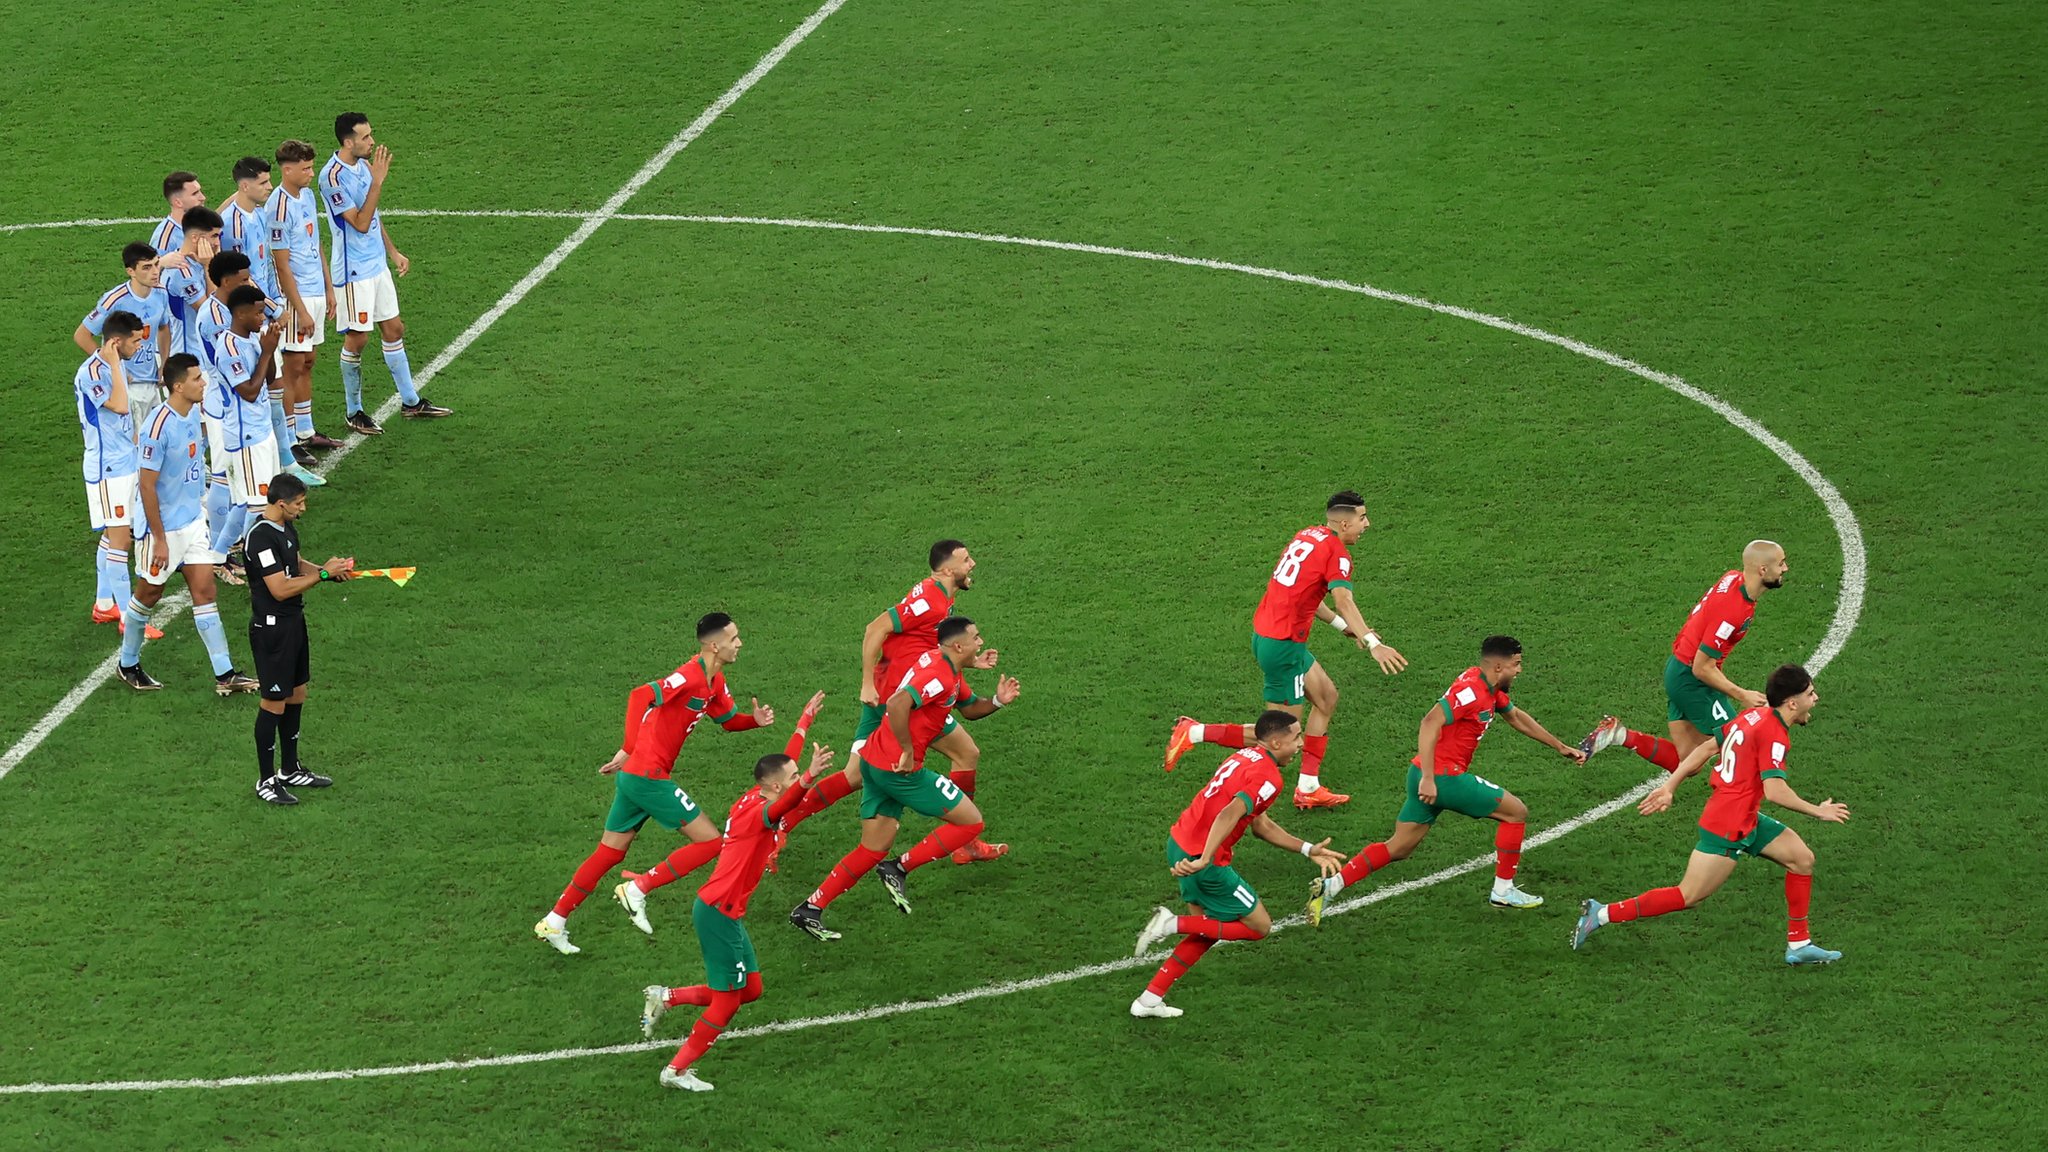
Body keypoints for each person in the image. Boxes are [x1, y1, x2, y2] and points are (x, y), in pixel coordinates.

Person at [534, 613, 785, 955]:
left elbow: (727, 721)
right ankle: (637, 889)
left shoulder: (715, 681)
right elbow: (640, 695)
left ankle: (554, 920)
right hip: (648, 776)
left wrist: (753, 721)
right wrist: (628, 747)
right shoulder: (690, 675)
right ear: (714, 645)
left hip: (635, 777)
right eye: (733, 638)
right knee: (712, 842)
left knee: (609, 852)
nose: (739, 643)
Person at [1572, 664, 1849, 965]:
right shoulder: (1774, 735)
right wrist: (1818, 811)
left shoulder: (1753, 715)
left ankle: (1799, 943)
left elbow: (1706, 748)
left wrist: (1670, 786)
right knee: (1689, 895)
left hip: (1743, 816)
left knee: (1802, 859)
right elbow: (1775, 791)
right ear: (1792, 703)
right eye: (1810, 694)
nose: (1816, 698)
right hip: (1728, 825)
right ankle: (1601, 914)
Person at [1306, 635, 1587, 921]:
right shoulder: (1472, 692)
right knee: (1516, 813)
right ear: (1499, 667)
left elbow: (1516, 717)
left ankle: (1332, 886)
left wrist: (1559, 746)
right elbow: (1430, 722)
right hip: (1442, 778)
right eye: (1516, 664)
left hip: (1422, 774)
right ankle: (1503, 891)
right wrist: (1430, 779)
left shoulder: (1488, 686)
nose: (1520, 670)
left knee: (1399, 847)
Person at [1162, 490, 1408, 808]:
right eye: (1362, 518)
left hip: (1272, 636)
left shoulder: (1309, 535)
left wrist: (1343, 627)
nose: (1367, 524)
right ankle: (1194, 732)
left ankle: (1308, 786)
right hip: (1283, 647)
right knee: (1280, 735)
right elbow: (1343, 600)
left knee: (1326, 698)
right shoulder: (1338, 554)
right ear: (1345, 523)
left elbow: (1306, 594)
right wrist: (1374, 644)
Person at [789, 616, 1019, 941]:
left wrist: (997, 701)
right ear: (958, 645)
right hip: (898, 770)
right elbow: (898, 703)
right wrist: (908, 750)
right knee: (971, 823)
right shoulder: (940, 675)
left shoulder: (944, 664)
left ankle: (810, 908)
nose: (981, 643)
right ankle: (899, 867)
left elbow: (968, 708)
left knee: (872, 848)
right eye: (976, 638)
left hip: (874, 760)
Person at [775, 539, 1004, 865]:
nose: (973, 564)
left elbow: (923, 643)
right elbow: (875, 628)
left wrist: (969, 661)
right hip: (901, 699)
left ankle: (783, 820)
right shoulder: (930, 601)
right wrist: (867, 682)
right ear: (947, 569)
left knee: (856, 774)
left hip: (894, 690)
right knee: (965, 753)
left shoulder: (940, 596)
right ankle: (965, 841)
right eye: (966, 560)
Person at [640, 740, 834, 1092]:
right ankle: (676, 1070)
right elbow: (787, 802)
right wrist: (809, 778)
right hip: (719, 912)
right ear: (776, 786)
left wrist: (804, 724)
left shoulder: (755, 796)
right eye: (792, 777)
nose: (796, 779)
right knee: (728, 1002)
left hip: (724, 911)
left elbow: (779, 776)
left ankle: (666, 997)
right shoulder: (759, 812)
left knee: (751, 988)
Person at [1129, 711, 1344, 1018]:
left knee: (1208, 930)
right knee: (1259, 926)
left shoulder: (1246, 756)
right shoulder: (1269, 778)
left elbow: (1261, 825)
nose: (1300, 744)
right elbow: (1229, 813)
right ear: (1275, 742)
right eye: (1296, 737)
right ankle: (1171, 923)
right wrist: (1205, 858)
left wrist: (1307, 849)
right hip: (1204, 860)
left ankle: (1149, 1000)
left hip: (1179, 842)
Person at [114, 354, 259, 695]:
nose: (203, 382)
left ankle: (225, 674)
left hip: (192, 522)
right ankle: (128, 663)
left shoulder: (192, 413)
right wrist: (160, 540)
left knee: (205, 592)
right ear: (178, 386)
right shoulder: (157, 428)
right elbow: (146, 486)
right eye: (196, 378)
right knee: (149, 593)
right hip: (161, 529)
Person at [1578, 541, 1791, 770]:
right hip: (1693, 681)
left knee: (1688, 762)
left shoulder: (1732, 578)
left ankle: (1619, 735)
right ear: (1762, 570)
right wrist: (1742, 695)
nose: (1785, 568)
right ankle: (1752, 797)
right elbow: (1702, 667)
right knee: (1741, 744)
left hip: (1678, 670)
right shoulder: (1733, 611)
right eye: (1781, 564)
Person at [322, 112, 450, 431]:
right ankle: (354, 411)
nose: (372, 141)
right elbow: (360, 222)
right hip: (354, 272)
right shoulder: (332, 178)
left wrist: (392, 252)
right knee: (358, 338)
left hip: (376, 264)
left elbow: (374, 216)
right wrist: (377, 182)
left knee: (394, 329)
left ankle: (411, 402)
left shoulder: (364, 166)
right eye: (365, 137)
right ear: (348, 142)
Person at [244, 471, 354, 805]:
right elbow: (279, 588)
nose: (303, 508)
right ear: (281, 503)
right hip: (272, 629)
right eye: (299, 503)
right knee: (274, 701)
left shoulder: (286, 527)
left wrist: (326, 572)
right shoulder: (260, 538)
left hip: (293, 623)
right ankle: (266, 780)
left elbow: (294, 563)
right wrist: (323, 575)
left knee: (297, 693)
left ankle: (290, 769)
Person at [267, 139, 344, 459]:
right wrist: (300, 309)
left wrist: (329, 289)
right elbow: (281, 265)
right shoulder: (278, 207)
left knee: (308, 361)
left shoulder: (307, 195)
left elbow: (316, 243)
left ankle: (306, 430)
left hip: (315, 292)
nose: (312, 173)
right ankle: (289, 440)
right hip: (295, 297)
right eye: (306, 168)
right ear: (287, 170)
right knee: (293, 366)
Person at [75, 311, 150, 628]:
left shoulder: (112, 366)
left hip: (124, 460)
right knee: (121, 541)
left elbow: (123, 416)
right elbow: (119, 406)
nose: (139, 347)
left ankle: (105, 604)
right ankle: (130, 620)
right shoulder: (92, 372)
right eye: (135, 341)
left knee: (112, 535)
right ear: (116, 342)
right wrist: (117, 367)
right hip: (107, 469)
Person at [210, 286, 286, 565]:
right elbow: (249, 392)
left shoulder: (253, 336)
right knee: (257, 506)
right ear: (240, 314)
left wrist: (270, 350)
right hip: (246, 437)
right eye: (258, 313)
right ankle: (258, 563)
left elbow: (270, 378)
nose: (263, 318)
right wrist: (266, 352)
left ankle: (217, 556)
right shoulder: (229, 349)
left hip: (261, 430)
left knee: (246, 502)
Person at [75, 243, 173, 430]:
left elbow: (163, 327)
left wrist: (165, 362)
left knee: (152, 439)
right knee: (133, 442)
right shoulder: (114, 300)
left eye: (156, 264)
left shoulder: (161, 293)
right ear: (131, 271)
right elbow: (82, 335)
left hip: (151, 382)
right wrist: (113, 367)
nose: (155, 272)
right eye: (146, 267)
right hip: (125, 385)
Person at [150, 171, 206, 256]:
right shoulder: (166, 240)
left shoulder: (202, 223)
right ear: (178, 202)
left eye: (200, 191)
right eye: (195, 194)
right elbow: (156, 264)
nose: (203, 198)